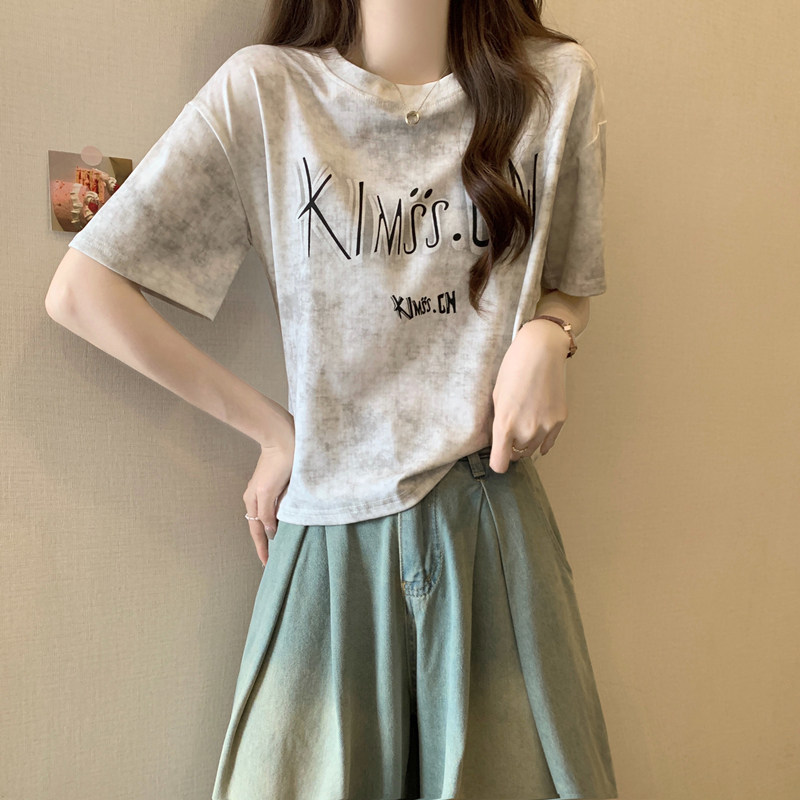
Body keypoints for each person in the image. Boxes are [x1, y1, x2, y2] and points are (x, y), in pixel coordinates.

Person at [45, 0, 618, 797]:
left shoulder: (551, 85)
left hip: (490, 526)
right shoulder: (268, 92)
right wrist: (274, 432)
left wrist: (552, 332)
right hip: (331, 540)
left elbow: (572, 279)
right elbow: (83, 291)